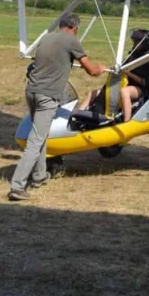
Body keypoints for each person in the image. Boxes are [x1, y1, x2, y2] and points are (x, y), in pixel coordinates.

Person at [8, 12, 107, 201]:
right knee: (36, 140)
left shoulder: (46, 37)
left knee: (41, 133)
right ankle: (17, 186)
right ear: (74, 28)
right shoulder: (72, 41)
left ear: (61, 24)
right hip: (47, 96)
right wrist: (101, 68)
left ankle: (39, 176)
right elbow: (91, 70)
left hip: (31, 91)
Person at [79, 28, 149, 123]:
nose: (134, 44)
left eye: (137, 42)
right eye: (134, 41)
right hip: (126, 83)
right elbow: (121, 68)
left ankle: (127, 122)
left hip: (142, 88)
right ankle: (78, 114)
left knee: (124, 92)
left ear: (145, 44)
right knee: (94, 92)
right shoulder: (133, 55)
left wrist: (128, 73)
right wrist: (113, 69)